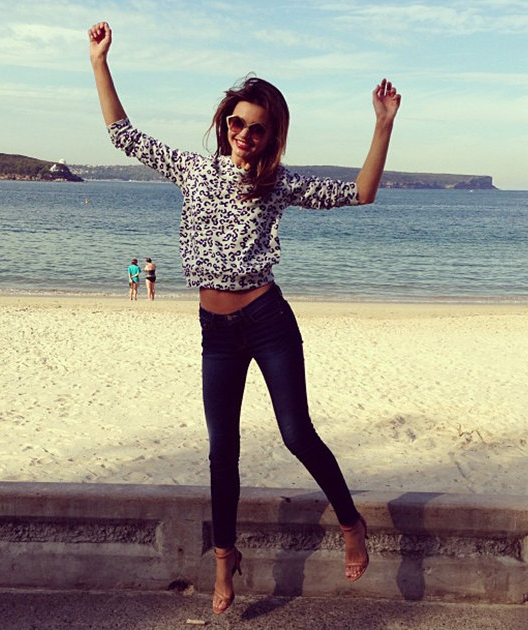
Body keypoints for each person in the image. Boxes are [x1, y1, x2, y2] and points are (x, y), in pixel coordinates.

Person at [88, 21, 400, 614]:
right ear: (224, 122)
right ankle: (225, 562)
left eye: (257, 128)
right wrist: (100, 61)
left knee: (296, 433)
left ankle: (350, 522)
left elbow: (362, 192)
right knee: (221, 450)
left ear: (271, 136)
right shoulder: (193, 170)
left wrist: (382, 125)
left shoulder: (277, 184)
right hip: (216, 332)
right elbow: (122, 135)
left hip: (267, 318)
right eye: (236, 123)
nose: (244, 135)